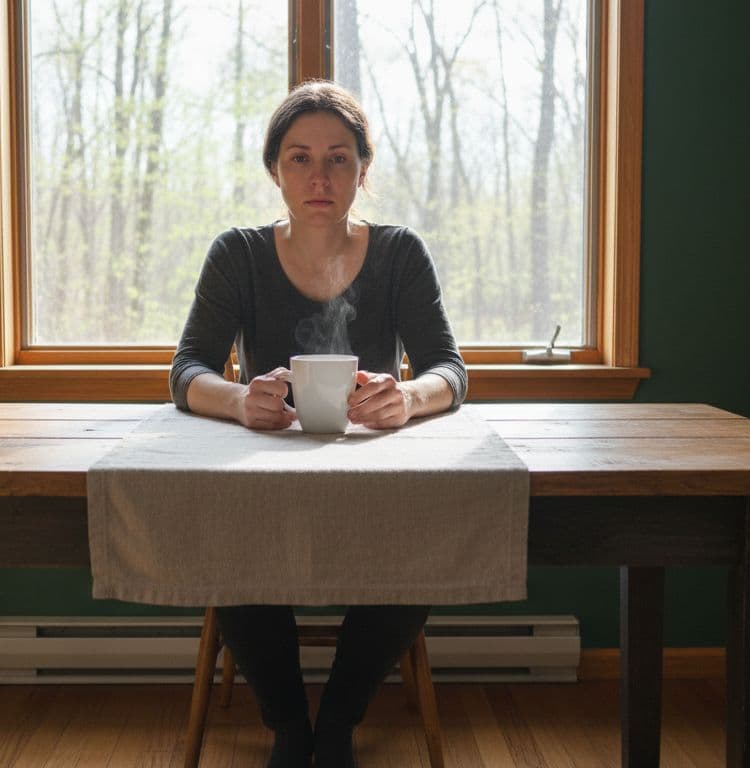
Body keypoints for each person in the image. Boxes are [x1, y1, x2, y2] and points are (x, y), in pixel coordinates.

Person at [169, 80, 467, 768]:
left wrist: (410, 399)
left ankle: (337, 717)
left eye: (338, 158)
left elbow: (448, 368)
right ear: (275, 169)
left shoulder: (399, 253)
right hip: (263, 477)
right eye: (300, 158)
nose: (320, 176)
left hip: (373, 474)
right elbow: (187, 369)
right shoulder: (238, 254)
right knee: (224, 534)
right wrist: (243, 400)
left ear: (364, 168)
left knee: (429, 531)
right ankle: (287, 725)